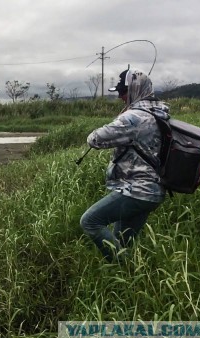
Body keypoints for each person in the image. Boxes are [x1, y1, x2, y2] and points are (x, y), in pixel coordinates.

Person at [80, 69, 170, 262]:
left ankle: (125, 269)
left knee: (90, 221)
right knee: (122, 243)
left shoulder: (134, 117)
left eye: (122, 92)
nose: (120, 96)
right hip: (153, 191)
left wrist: (122, 116)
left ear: (134, 90)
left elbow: (95, 139)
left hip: (137, 190)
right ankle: (128, 280)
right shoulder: (160, 113)